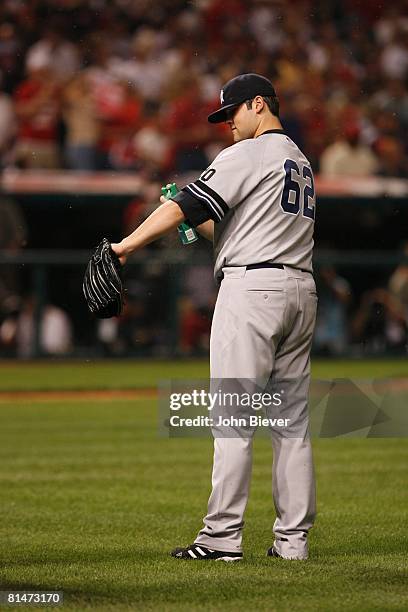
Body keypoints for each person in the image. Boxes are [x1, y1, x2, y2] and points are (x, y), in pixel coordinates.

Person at [111, 73, 317, 561]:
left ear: (259, 105)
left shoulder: (249, 154)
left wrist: (123, 248)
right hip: (298, 289)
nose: (227, 123)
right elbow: (229, 231)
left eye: (232, 112)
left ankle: (221, 539)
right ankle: (292, 543)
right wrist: (184, 220)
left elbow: (187, 204)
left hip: (252, 293)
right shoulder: (299, 160)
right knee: (291, 425)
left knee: (232, 419)